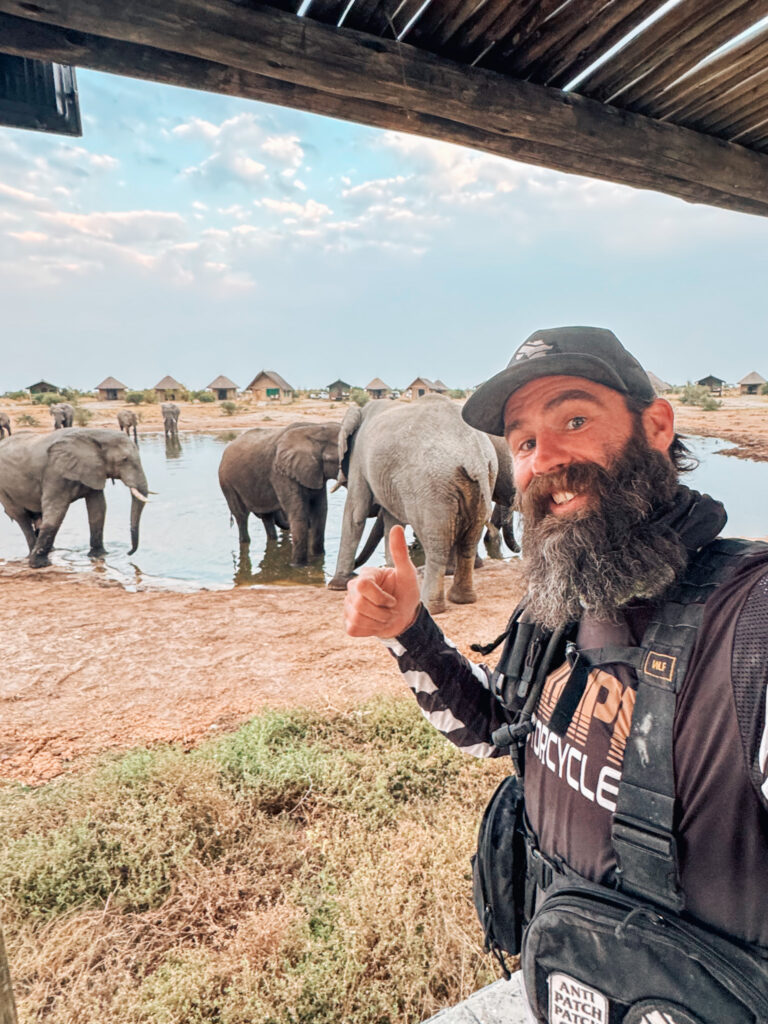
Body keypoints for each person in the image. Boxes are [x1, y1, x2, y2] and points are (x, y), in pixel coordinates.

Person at [343, 326, 768, 1020]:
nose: (546, 460)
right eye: (524, 443)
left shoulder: (751, 622)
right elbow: (493, 729)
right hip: (563, 984)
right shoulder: (563, 603)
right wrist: (408, 631)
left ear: (656, 427)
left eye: (574, 421)